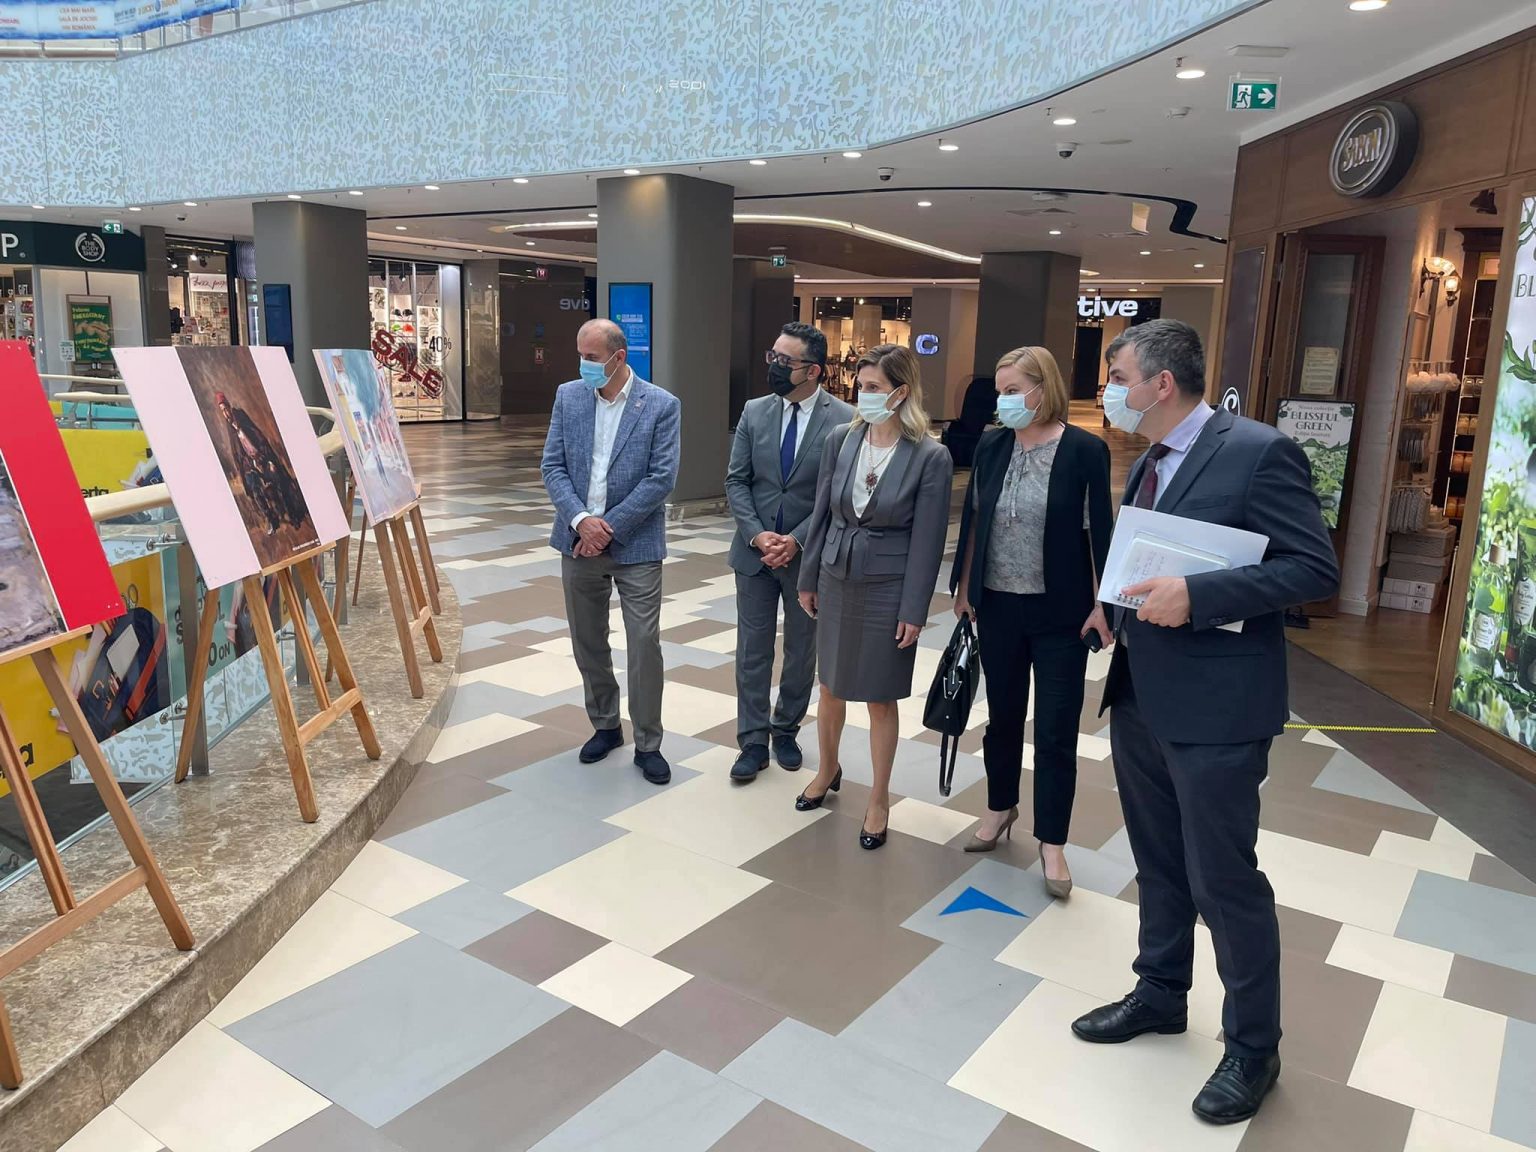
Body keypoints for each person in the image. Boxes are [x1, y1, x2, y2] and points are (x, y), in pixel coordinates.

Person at [1070, 320, 1338, 1125]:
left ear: (1161, 383)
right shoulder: (1149, 458)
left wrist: (1201, 597)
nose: (1109, 392)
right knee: (1158, 861)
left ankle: (1253, 1047)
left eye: (1118, 376)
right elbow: (1153, 551)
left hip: (1219, 707)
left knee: (1223, 878)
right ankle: (1160, 991)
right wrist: (1113, 603)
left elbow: (1312, 568)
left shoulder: (1258, 452)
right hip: (1140, 693)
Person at [951, 346, 1113, 896]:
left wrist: (1103, 604)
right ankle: (1000, 807)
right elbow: (975, 520)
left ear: (1044, 390)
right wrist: (965, 587)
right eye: (1000, 391)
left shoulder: (1085, 451)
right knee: (1002, 718)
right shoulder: (992, 444)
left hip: (1061, 612)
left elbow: (1100, 533)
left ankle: (1053, 841)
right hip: (997, 605)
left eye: (1014, 390)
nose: (1004, 401)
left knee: (1055, 729)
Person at [795, 344, 952, 849]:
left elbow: (928, 541)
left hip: (888, 585)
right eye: (860, 386)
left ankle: (879, 797)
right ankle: (827, 769)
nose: (862, 395)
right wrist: (807, 577)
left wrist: (914, 609)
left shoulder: (929, 455)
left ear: (901, 392)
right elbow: (822, 513)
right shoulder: (841, 439)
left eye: (873, 388)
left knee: (880, 696)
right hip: (836, 575)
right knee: (830, 685)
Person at [541, 319, 682, 785]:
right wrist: (581, 520)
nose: (583, 365)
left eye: (592, 358)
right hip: (577, 540)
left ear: (619, 358)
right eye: (580, 355)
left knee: (643, 642)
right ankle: (605, 725)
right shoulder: (569, 396)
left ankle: (648, 742)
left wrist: (608, 528)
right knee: (588, 639)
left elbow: (661, 478)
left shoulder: (660, 405)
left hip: (636, 544)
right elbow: (553, 465)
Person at [725, 323, 855, 782]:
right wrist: (758, 535)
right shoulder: (754, 411)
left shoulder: (844, 419)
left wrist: (795, 540)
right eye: (773, 357)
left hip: (809, 558)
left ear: (813, 370)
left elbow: (837, 494)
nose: (775, 367)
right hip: (754, 555)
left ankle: (785, 729)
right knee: (752, 650)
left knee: (802, 651)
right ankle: (752, 740)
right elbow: (736, 480)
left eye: (785, 361)